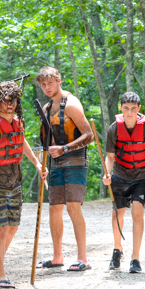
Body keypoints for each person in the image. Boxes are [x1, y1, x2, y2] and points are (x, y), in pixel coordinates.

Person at [0, 81, 47, 288]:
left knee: (13, 227)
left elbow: (22, 143)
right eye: (5, 101)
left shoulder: (17, 122)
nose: (9, 104)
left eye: (12, 101)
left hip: (16, 182)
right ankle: (0, 274)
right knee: (1, 228)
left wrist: (38, 164)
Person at [101, 92, 145, 273]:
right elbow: (110, 157)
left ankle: (135, 257)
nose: (129, 112)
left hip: (142, 175)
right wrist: (107, 174)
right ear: (120, 108)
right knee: (117, 213)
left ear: (139, 109)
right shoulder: (114, 129)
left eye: (133, 108)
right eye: (126, 108)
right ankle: (117, 250)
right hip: (120, 174)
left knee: (137, 213)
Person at [36, 66, 94, 271]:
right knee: (54, 208)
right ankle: (57, 256)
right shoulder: (45, 108)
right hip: (55, 163)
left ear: (59, 81)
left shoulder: (71, 105)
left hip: (75, 160)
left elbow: (89, 135)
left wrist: (64, 148)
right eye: (43, 84)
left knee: (72, 206)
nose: (46, 87)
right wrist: (42, 164)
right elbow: (46, 142)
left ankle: (83, 258)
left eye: (50, 83)